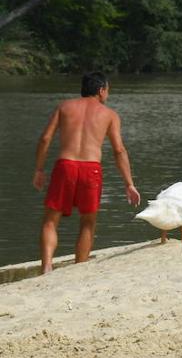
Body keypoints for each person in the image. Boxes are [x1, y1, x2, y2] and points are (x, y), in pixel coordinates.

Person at [32, 72, 141, 275]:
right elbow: (119, 150)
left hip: (65, 166)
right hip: (91, 169)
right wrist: (129, 183)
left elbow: (45, 139)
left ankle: (47, 267)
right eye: (108, 89)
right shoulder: (109, 114)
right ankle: (79, 269)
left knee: (50, 220)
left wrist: (39, 169)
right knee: (88, 222)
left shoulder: (64, 107)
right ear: (101, 90)